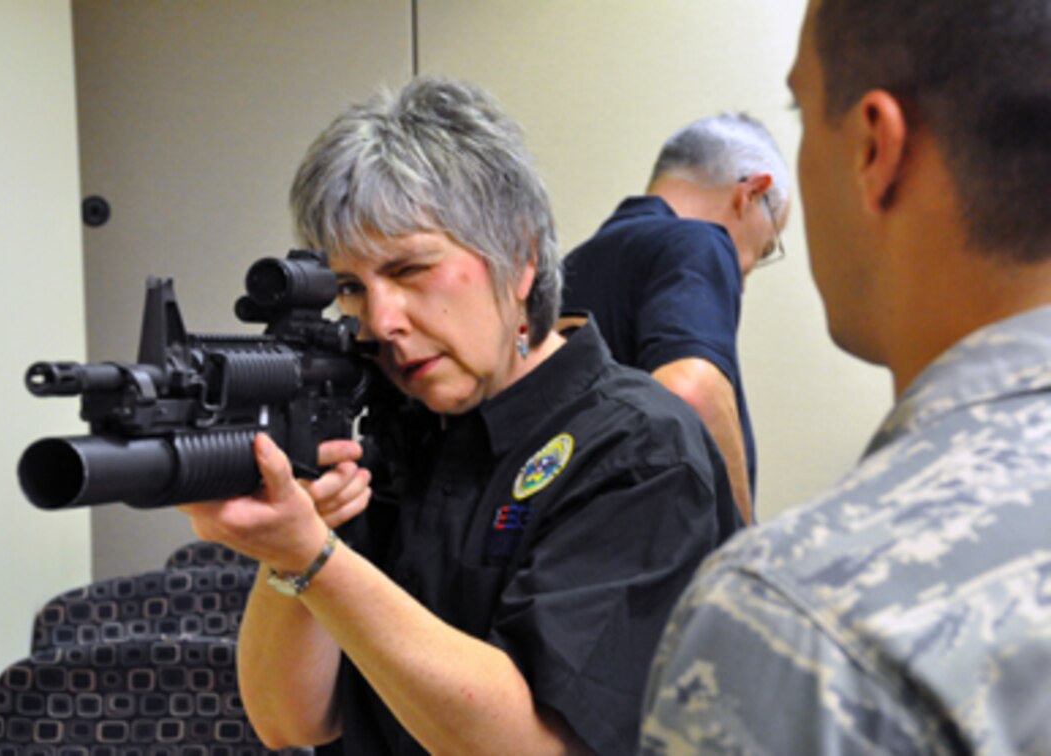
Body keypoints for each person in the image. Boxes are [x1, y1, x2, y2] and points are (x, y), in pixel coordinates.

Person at [179, 76, 741, 755]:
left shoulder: (639, 449)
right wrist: (287, 550)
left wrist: (315, 557)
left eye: (412, 269)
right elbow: (289, 720)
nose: (381, 321)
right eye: (352, 288)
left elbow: (531, 746)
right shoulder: (395, 434)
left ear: (522, 258)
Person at [640, 0, 1051, 752]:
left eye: (802, 107)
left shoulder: (797, 620)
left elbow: (688, 383)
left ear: (873, 147)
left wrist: (747, 547)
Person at [561, 113, 792, 525]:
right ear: (753, 192)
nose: (751, 267)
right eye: (769, 244)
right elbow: (692, 390)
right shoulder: (697, 241)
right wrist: (739, 547)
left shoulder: (570, 269)